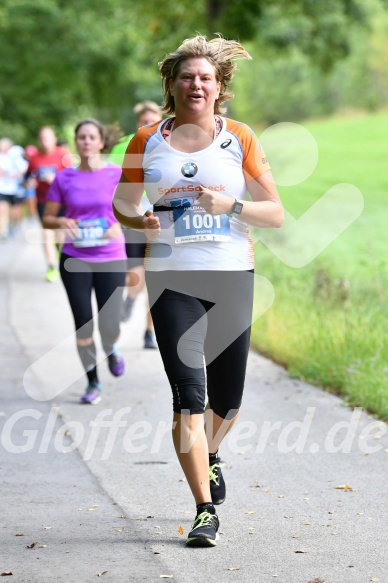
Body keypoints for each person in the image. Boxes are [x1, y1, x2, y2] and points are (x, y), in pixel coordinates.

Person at [113, 35, 284, 547]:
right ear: (172, 83)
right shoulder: (146, 141)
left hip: (232, 274)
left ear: (219, 86)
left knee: (226, 402)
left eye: (205, 77)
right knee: (189, 397)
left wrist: (228, 206)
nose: (196, 84)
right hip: (173, 278)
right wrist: (139, 220)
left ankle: (209, 454)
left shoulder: (239, 138)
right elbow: (121, 203)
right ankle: (204, 509)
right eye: (187, 76)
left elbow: (274, 212)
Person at [43, 118, 127, 404]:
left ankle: (112, 347)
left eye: (92, 137)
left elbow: (133, 212)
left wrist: (121, 226)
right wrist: (62, 221)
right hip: (75, 259)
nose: (87, 142)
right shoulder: (64, 177)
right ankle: (93, 383)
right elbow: (47, 218)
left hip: (111, 257)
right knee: (83, 324)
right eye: (82, 137)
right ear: (76, 142)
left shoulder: (116, 174)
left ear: (102, 142)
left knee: (109, 325)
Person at [110, 101, 162, 349]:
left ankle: (150, 332)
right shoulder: (124, 146)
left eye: (152, 121)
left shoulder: (169, 143)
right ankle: (131, 298)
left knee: (156, 280)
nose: (147, 125)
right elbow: (110, 184)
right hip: (133, 221)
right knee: (137, 276)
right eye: (144, 121)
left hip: (162, 223)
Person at [26, 127, 67, 282]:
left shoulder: (62, 155)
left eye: (48, 137)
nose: (45, 140)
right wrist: (29, 182)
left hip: (62, 200)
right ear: (39, 140)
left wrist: (56, 180)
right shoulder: (34, 157)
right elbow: (28, 176)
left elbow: (72, 177)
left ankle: (60, 255)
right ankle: (51, 268)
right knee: (47, 233)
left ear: (54, 138)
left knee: (60, 234)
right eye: (42, 137)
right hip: (43, 200)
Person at [0, 139, 28, 241]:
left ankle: (14, 225)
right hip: (2, 188)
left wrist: (16, 175)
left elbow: (23, 170)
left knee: (15, 211)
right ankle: (3, 231)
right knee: (2, 209)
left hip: (15, 188)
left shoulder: (16, 155)